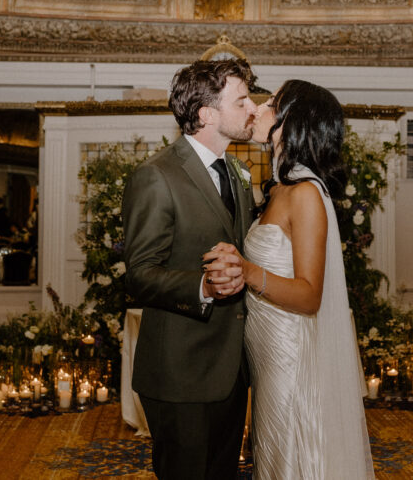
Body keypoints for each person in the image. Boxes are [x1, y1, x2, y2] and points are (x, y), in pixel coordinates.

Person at [205, 80, 374, 479]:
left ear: (292, 121)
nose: (259, 108)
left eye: (272, 103)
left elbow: (309, 295)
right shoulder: (280, 187)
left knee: (291, 456)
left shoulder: (307, 194)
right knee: (272, 453)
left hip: (291, 358)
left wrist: (247, 271)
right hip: (267, 357)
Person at [122, 58, 257, 480]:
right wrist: (203, 286)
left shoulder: (236, 173)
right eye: (242, 100)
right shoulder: (156, 176)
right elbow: (139, 274)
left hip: (231, 370)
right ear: (206, 115)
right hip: (179, 373)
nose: (252, 107)